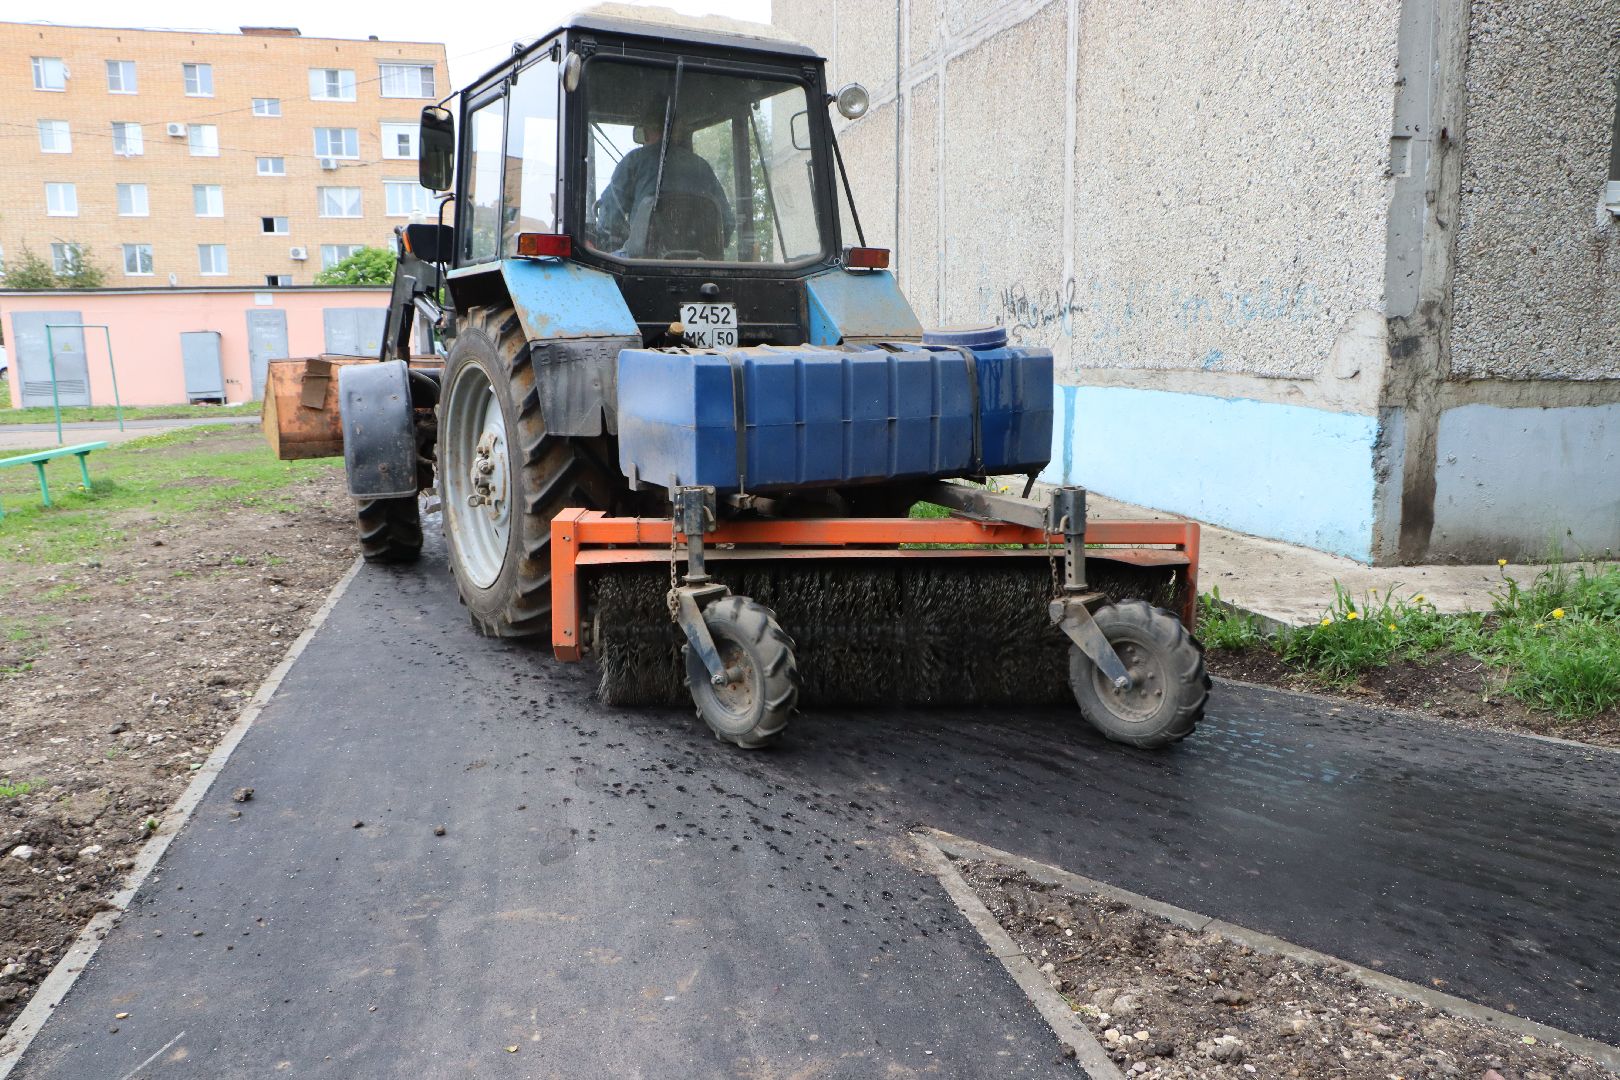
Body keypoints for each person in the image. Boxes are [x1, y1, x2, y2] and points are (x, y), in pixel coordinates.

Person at [595, 102, 735, 256]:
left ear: (646, 132)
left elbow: (608, 222)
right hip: (700, 267)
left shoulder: (634, 162)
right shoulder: (703, 168)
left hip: (643, 265)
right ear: (678, 132)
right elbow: (727, 224)